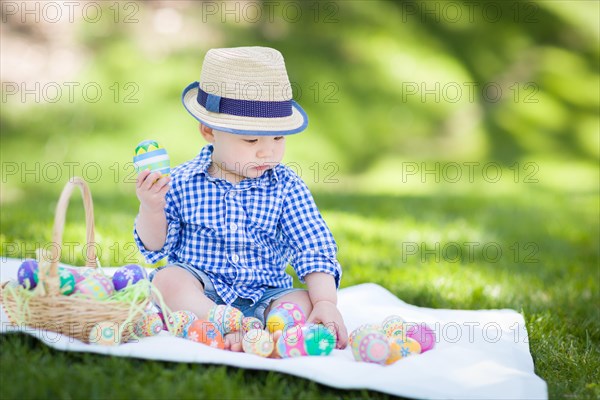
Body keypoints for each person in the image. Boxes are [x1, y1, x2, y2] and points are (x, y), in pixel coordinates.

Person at [134, 46, 347, 352]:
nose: (267, 151)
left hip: (266, 296)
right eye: (250, 140)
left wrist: (326, 302)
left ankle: (269, 328)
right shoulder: (181, 181)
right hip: (202, 292)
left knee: (304, 299)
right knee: (166, 280)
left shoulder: (286, 187)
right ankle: (221, 321)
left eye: (278, 138)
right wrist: (152, 207)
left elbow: (313, 245)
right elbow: (156, 248)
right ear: (209, 131)